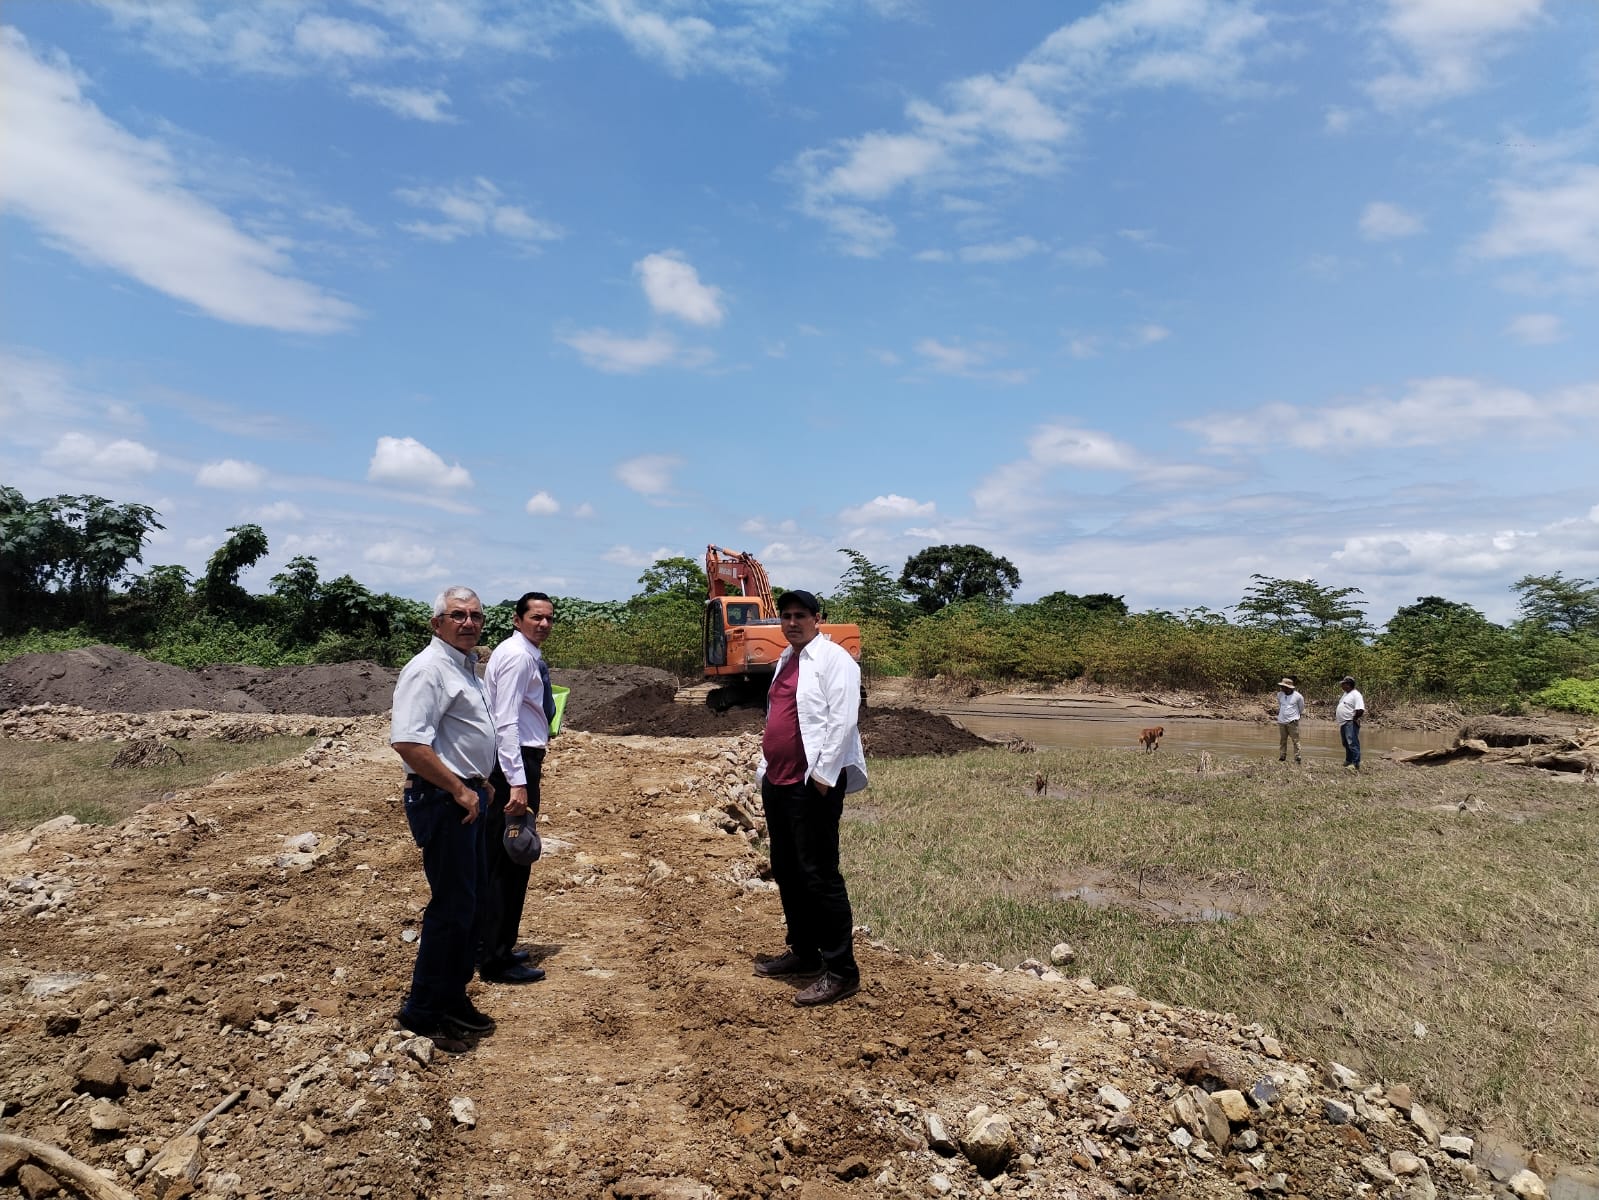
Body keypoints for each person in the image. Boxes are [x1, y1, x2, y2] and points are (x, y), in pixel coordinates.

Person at [391, 586, 498, 1047]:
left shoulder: (464, 667)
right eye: (458, 615)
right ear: (437, 623)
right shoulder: (428, 669)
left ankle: (452, 997)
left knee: (469, 907)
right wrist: (458, 787)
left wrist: (479, 779)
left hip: (466, 796)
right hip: (443, 800)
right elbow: (408, 742)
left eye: (475, 615)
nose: (468, 622)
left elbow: (457, 736)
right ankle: (423, 1013)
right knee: (452, 909)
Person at [753, 589, 869, 1007]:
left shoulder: (835, 659)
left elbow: (843, 718)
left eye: (800, 616)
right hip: (779, 781)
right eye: (786, 616)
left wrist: (823, 775)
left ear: (817, 619)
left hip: (812, 783)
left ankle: (841, 972)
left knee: (819, 874)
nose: (792, 623)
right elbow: (778, 716)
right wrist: (766, 768)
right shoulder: (786, 659)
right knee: (787, 869)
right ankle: (804, 952)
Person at [478, 591, 557, 985]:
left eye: (548, 618)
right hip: (515, 762)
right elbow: (506, 722)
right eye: (535, 617)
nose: (543, 624)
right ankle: (495, 957)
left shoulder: (523, 654)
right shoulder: (518, 657)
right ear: (517, 619)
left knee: (504, 857)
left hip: (519, 760)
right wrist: (517, 783)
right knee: (511, 858)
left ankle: (496, 945)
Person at [1336, 675, 1366, 770]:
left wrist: (1354, 718)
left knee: (1352, 743)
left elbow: (1360, 709)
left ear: (1349, 685)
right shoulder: (1346, 694)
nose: (1342, 686)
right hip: (1343, 722)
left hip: (1350, 722)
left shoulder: (1356, 695)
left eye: (1344, 684)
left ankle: (1355, 763)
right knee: (1345, 743)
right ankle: (1348, 760)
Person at [1275, 677, 1306, 764]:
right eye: (1281, 686)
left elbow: (1301, 708)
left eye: (1283, 687)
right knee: (1283, 740)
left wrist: (1296, 717)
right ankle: (1282, 756)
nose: (1281, 688)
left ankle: (1297, 757)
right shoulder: (1280, 695)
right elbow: (1281, 705)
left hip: (1293, 722)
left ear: (1289, 687)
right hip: (1282, 721)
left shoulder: (1298, 696)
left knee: (1295, 740)